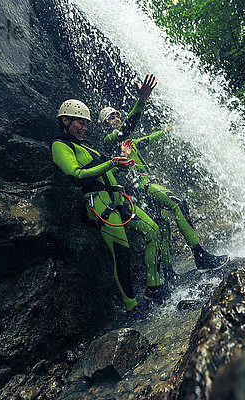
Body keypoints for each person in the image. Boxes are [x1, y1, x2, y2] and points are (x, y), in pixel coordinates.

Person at [99, 75, 229, 273]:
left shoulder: (128, 142)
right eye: (111, 118)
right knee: (178, 203)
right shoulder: (110, 141)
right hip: (138, 187)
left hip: (143, 185)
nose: (116, 119)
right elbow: (126, 129)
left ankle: (168, 274)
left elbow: (147, 139)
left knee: (163, 226)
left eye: (117, 116)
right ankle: (200, 257)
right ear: (105, 125)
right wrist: (141, 102)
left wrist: (168, 130)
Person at [50, 97, 165, 320]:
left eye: (86, 124)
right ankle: (132, 308)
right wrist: (112, 163)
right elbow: (76, 175)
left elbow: (107, 173)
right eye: (80, 123)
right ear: (65, 120)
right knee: (121, 253)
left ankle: (153, 288)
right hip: (99, 205)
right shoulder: (59, 144)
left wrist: (122, 160)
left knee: (153, 232)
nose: (84, 128)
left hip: (118, 199)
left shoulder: (84, 146)